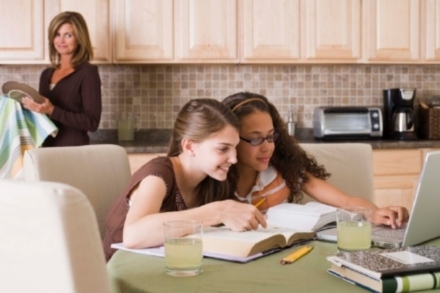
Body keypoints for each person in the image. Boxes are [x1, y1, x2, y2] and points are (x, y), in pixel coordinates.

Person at [103, 98, 266, 261]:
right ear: (189, 147)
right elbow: (133, 235)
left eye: (234, 148)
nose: (234, 159)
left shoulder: (213, 181)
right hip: (121, 274)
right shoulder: (157, 175)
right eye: (223, 149)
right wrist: (218, 212)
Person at [222, 92, 409, 228]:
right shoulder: (215, 175)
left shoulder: (284, 169)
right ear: (231, 139)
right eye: (255, 139)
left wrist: (376, 213)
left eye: (271, 137)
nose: (267, 147)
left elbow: (345, 200)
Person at [21, 11, 101, 146]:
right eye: (57, 34)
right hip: (45, 151)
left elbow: (92, 122)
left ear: (80, 38)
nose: (61, 40)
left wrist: (52, 110)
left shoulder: (88, 73)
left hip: (72, 153)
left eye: (68, 35)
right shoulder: (46, 74)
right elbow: (43, 119)